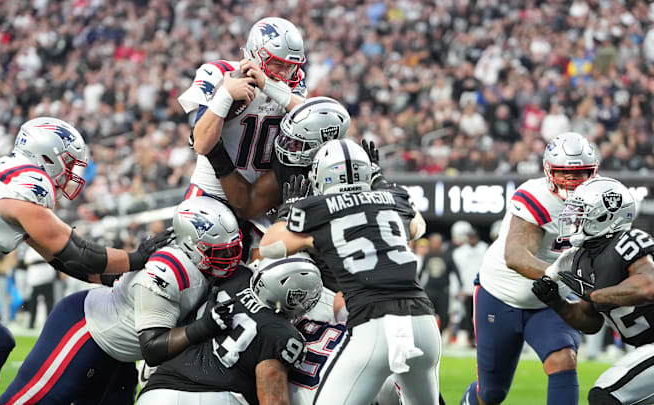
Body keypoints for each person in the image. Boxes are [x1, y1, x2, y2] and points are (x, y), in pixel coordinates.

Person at [0, 117, 172, 405]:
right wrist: (137, 258)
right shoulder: (30, 182)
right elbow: (77, 253)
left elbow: (64, 262)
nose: (71, 171)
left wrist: (117, 280)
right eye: (68, 162)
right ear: (47, 155)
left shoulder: (6, 174)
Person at [0, 196, 242, 404]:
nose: (230, 257)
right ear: (190, 245)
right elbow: (153, 348)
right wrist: (204, 327)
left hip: (120, 352)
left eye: (233, 248)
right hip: (86, 332)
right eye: (220, 252)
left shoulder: (198, 264)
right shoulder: (169, 271)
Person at [260, 139, 441, 405]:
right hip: (423, 321)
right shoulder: (394, 197)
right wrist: (378, 183)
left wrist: (290, 209)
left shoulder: (318, 208)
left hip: (375, 323)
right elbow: (418, 226)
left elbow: (270, 247)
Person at [460, 132, 599, 405]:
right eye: (563, 174)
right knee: (491, 394)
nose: (571, 182)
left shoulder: (600, 200)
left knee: (564, 359)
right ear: (548, 171)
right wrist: (568, 278)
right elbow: (516, 256)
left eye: (580, 173)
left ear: (593, 172)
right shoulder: (535, 196)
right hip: (499, 297)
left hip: (550, 303)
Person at [532, 177, 654, 405]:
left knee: (605, 395)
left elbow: (650, 287)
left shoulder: (628, 241)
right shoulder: (581, 258)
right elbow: (591, 322)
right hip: (653, 346)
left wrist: (595, 294)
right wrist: (557, 303)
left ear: (605, 215)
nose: (574, 218)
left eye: (582, 211)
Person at [137, 253, 323, 405]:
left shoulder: (236, 275)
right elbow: (273, 401)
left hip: (158, 392)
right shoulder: (281, 334)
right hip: (218, 396)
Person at [177, 16, 307, 202]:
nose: (285, 73)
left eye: (291, 66)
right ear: (255, 54)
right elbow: (201, 144)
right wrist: (225, 95)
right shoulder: (220, 72)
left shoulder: (295, 80)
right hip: (212, 195)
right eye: (277, 64)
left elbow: (310, 118)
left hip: (260, 199)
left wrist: (267, 84)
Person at [202, 96, 350, 221]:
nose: (288, 146)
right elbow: (248, 206)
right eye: (288, 139)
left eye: (298, 143)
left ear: (324, 143)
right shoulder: (294, 168)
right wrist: (217, 154)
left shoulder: (354, 167)